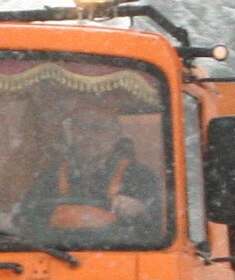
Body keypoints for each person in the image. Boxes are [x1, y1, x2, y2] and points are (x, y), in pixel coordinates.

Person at [20, 101, 159, 238]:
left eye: (97, 129)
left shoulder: (140, 176)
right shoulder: (49, 177)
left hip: (119, 255)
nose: (87, 136)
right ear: (71, 134)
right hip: (53, 255)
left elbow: (155, 227)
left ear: (116, 135)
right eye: (80, 128)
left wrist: (140, 211)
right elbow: (25, 221)